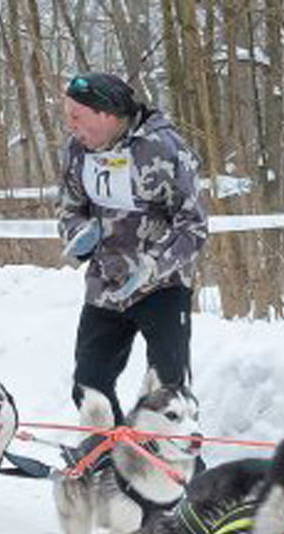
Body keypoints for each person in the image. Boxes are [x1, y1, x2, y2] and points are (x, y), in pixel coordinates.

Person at [58, 72, 208, 421]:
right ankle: (108, 461)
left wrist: (154, 264)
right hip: (105, 284)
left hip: (162, 286)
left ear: (106, 114)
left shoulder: (166, 149)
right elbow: (67, 208)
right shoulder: (76, 151)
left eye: (76, 116)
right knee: (88, 387)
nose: (70, 126)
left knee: (168, 395)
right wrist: (77, 233)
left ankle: (174, 470)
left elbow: (194, 226)